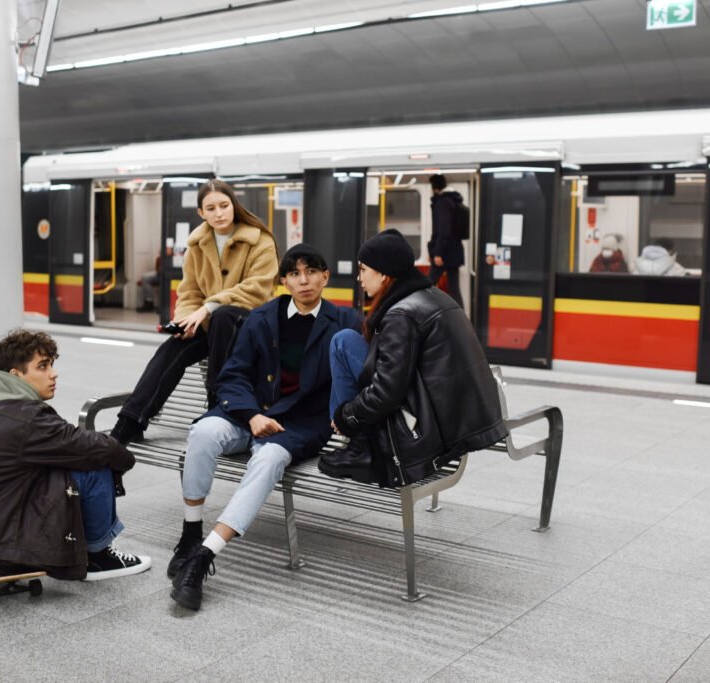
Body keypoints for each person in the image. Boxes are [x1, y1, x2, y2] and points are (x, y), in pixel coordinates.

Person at [168, 244, 363, 610]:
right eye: (294, 273)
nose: (303, 280)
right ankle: (191, 533)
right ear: (284, 281)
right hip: (248, 413)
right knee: (203, 434)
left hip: (301, 423)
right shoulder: (262, 317)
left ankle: (204, 557)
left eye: (311, 272)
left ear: (325, 276)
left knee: (270, 460)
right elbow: (233, 375)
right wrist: (251, 415)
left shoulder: (347, 323)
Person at [0, 329, 152, 581]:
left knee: (74, 459)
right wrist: (124, 459)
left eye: (52, 364)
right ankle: (98, 557)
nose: (53, 373)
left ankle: (91, 549)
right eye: (42, 366)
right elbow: (90, 446)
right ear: (16, 375)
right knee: (95, 464)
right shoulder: (27, 417)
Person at [319, 228, 507, 488]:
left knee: (341, 343)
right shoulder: (433, 296)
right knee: (347, 340)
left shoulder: (400, 314)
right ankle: (357, 442)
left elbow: (387, 392)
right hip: (451, 411)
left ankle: (359, 446)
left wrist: (346, 415)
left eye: (363, 269)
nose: (358, 278)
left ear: (383, 272)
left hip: (428, 426)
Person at [111, 179, 280, 444]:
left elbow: (258, 289)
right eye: (211, 208)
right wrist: (185, 321)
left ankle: (218, 406)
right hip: (214, 326)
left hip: (253, 324)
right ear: (201, 213)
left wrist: (207, 308)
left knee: (224, 315)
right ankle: (131, 420)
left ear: (234, 205)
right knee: (172, 347)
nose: (219, 213)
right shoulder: (197, 246)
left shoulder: (260, 241)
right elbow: (189, 291)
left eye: (224, 205)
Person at [427, 173, 465, 308]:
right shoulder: (453, 200)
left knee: (426, 286)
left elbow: (443, 230)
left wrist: (437, 253)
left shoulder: (443, 202)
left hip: (445, 252)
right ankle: (461, 319)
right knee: (454, 288)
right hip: (454, 250)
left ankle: (420, 315)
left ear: (434, 187)